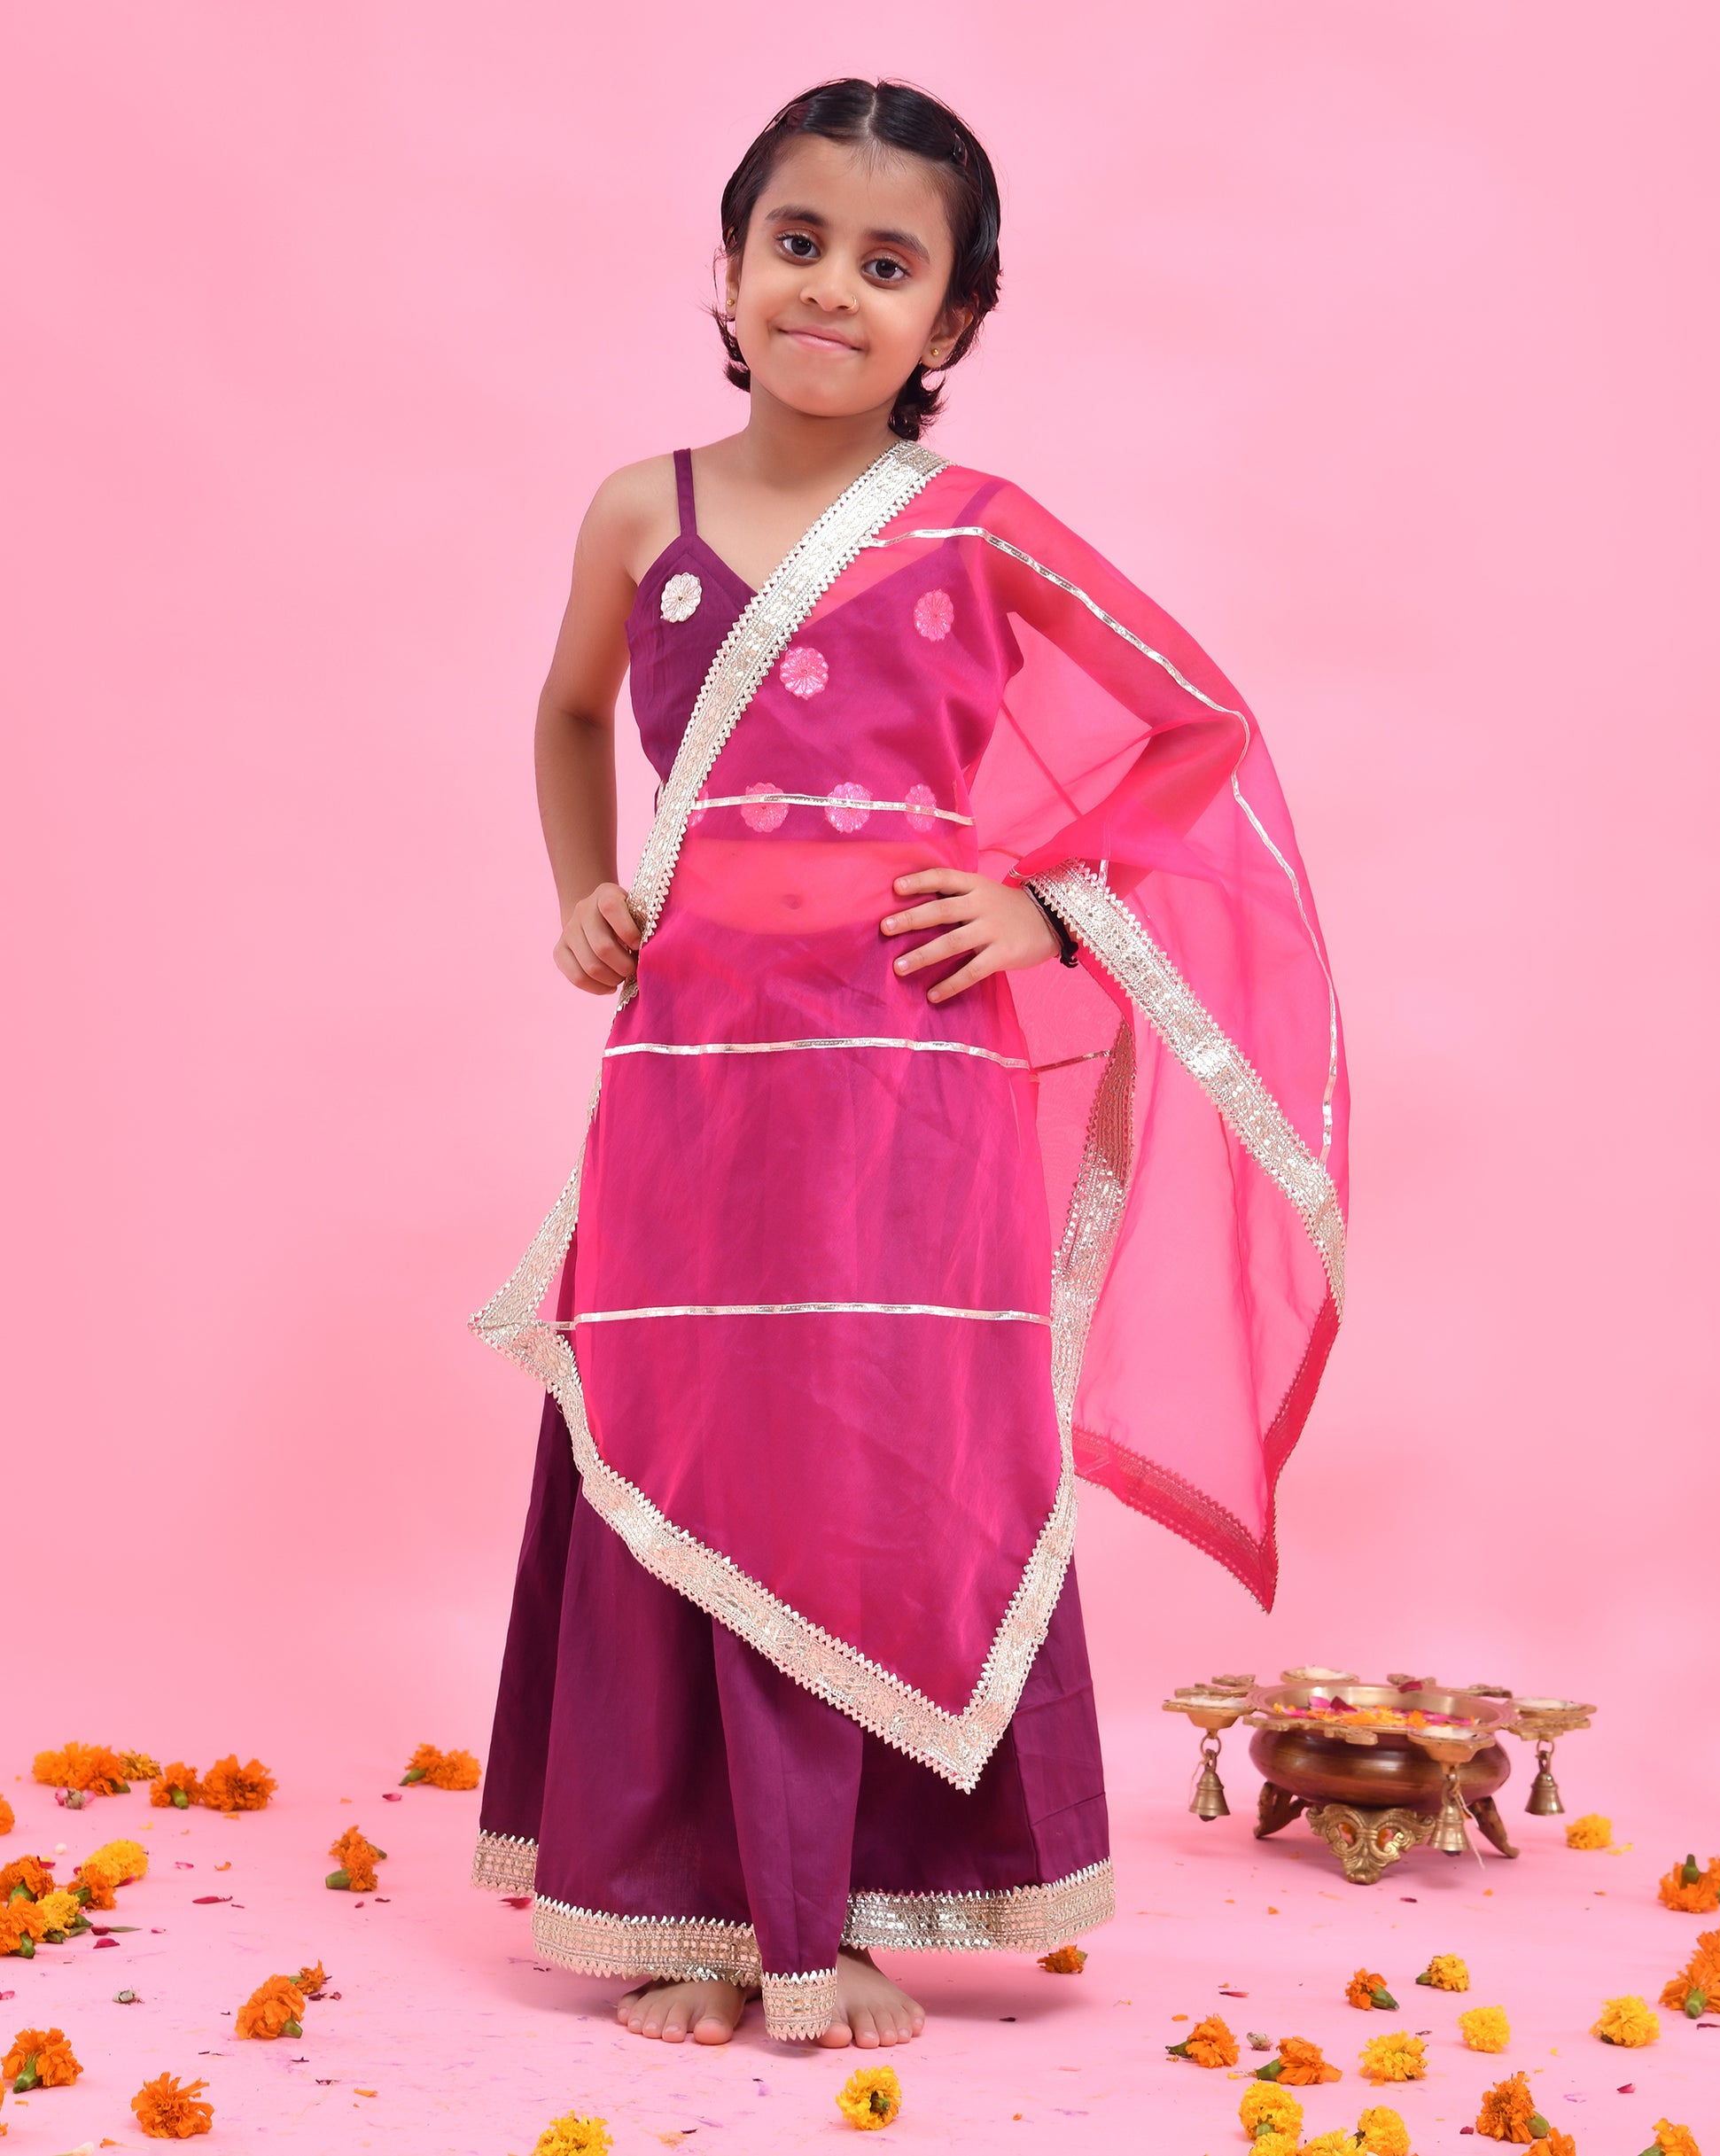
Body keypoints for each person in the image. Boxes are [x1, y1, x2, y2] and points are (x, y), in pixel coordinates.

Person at [472, 76, 1348, 2051]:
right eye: (797, 243)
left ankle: (843, 1904)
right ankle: (686, 1905)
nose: (830, 290)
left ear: (950, 320)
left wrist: (1049, 912)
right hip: (692, 1062)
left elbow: (1196, 730)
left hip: (906, 1068)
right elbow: (570, 709)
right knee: (678, 1425)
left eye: (888, 266)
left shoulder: (979, 529)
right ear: (727, 263)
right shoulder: (639, 507)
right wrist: (585, 886)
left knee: (872, 1448)